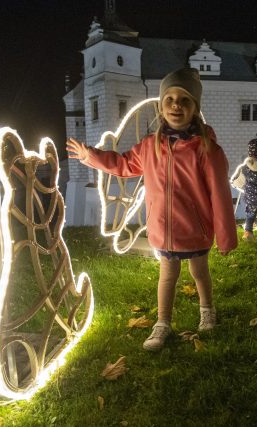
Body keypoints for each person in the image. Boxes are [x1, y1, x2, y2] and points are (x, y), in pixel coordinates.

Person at [66, 67, 237, 351]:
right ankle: (162, 323)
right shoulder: (150, 146)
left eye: (184, 100)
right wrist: (91, 157)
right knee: (167, 276)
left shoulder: (207, 150)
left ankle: (207, 310)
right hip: (164, 230)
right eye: (169, 99)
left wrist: (226, 236)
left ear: (195, 108)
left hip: (194, 229)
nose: (176, 106)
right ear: (161, 106)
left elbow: (220, 194)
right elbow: (122, 165)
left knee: (199, 272)